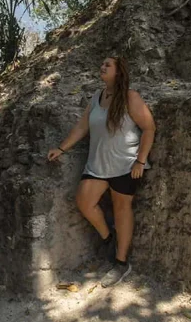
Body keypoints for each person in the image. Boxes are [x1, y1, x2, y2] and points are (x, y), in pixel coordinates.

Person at [47, 56, 156, 288]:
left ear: (119, 72)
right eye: (102, 63)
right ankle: (109, 239)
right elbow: (82, 127)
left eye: (108, 65)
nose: (102, 66)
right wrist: (61, 148)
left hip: (125, 165)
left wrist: (140, 161)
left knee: (121, 208)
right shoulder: (96, 97)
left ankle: (120, 262)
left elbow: (149, 128)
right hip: (98, 165)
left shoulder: (130, 97)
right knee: (84, 201)